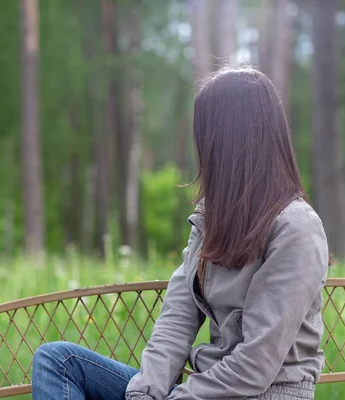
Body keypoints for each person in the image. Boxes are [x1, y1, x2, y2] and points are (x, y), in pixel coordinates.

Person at [31, 66, 329, 400]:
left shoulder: (297, 230)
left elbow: (255, 368)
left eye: (206, 136)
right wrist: (145, 393)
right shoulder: (210, 220)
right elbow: (176, 321)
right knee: (58, 360)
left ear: (232, 142)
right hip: (205, 390)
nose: (201, 150)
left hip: (262, 393)